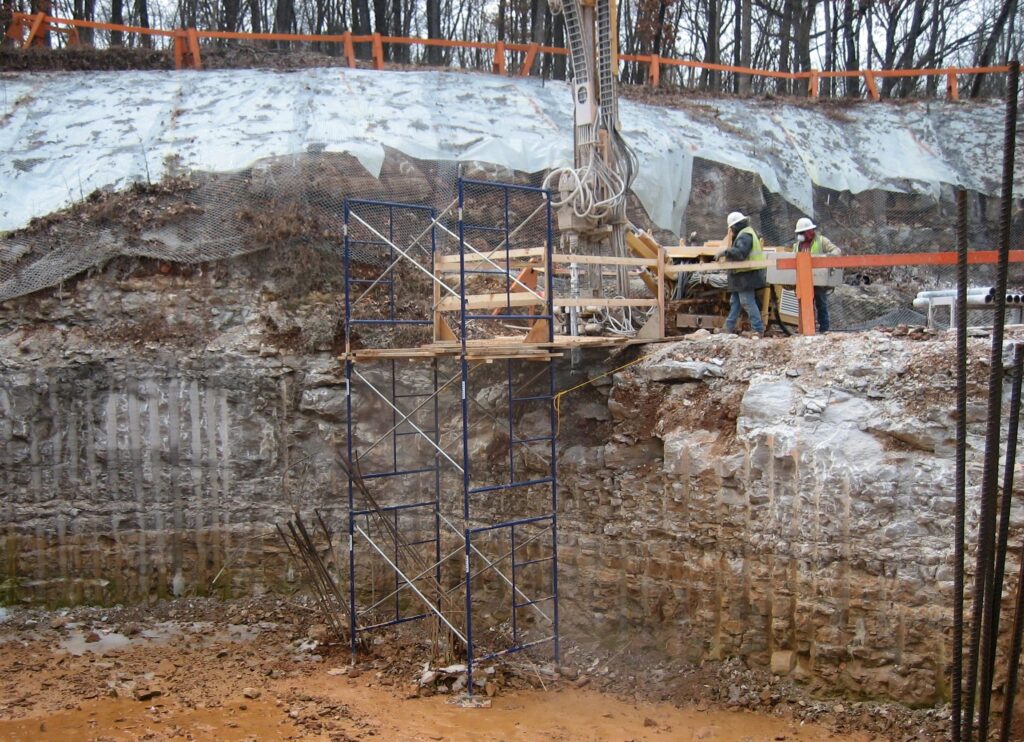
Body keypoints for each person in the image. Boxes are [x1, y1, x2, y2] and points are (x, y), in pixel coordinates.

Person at [716, 211, 766, 335]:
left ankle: (758, 329)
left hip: (747, 275)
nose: (731, 230)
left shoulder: (745, 236)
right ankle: (728, 327)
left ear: (735, 226)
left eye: (732, 227)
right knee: (736, 302)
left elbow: (740, 253)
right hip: (743, 276)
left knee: (747, 301)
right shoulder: (745, 234)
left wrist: (725, 252)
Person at [793, 217, 841, 333]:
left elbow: (836, 251)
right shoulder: (797, 246)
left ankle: (824, 329)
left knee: (821, 303)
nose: (801, 235)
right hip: (803, 280)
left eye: (802, 232)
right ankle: (807, 329)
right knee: (804, 304)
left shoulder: (821, 241)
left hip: (818, 279)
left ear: (809, 231)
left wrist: (827, 258)